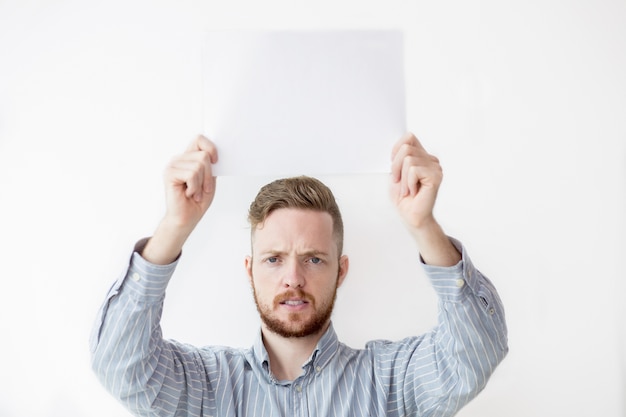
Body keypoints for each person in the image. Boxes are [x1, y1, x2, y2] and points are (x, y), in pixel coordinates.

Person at [90, 132, 508, 417]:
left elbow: (474, 354)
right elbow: (120, 366)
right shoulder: (207, 388)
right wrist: (174, 228)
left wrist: (423, 227)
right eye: (274, 259)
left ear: (341, 271)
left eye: (313, 259)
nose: (293, 278)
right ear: (250, 271)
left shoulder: (388, 383)